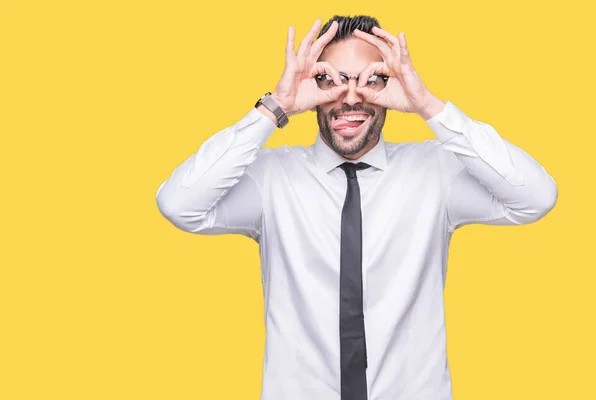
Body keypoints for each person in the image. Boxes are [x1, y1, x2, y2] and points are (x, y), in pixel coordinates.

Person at [156, 15, 557, 400]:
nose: (349, 97)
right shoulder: (271, 179)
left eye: (372, 80)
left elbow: (535, 198)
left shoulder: (436, 172)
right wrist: (275, 106)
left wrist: (427, 105)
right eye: (329, 80)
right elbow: (179, 203)